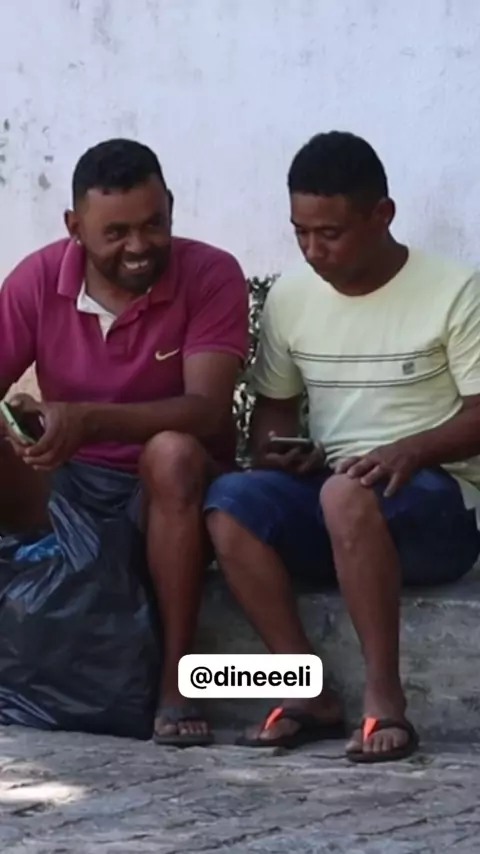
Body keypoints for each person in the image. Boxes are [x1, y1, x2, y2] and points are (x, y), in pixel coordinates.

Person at [205, 130, 480, 762]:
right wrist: (280, 450)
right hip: (336, 493)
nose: (312, 250)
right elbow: (274, 413)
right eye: (300, 232)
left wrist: (409, 450)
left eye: (329, 233)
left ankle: (386, 699)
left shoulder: (456, 289)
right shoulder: (292, 296)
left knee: (344, 494)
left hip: (438, 507)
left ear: (382, 215)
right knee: (229, 504)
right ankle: (306, 692)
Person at [0, 138, 249, 747]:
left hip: (168, 491)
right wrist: (22, 422)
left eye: (153, 224)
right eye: (115, 233)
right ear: (74, 227)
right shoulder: (38, 278)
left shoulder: (211, 273)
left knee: (171, 452)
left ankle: (177, 683)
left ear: (170, 207)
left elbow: (207, 410)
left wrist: (87, 420)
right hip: (68, 481)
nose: (139, 246)